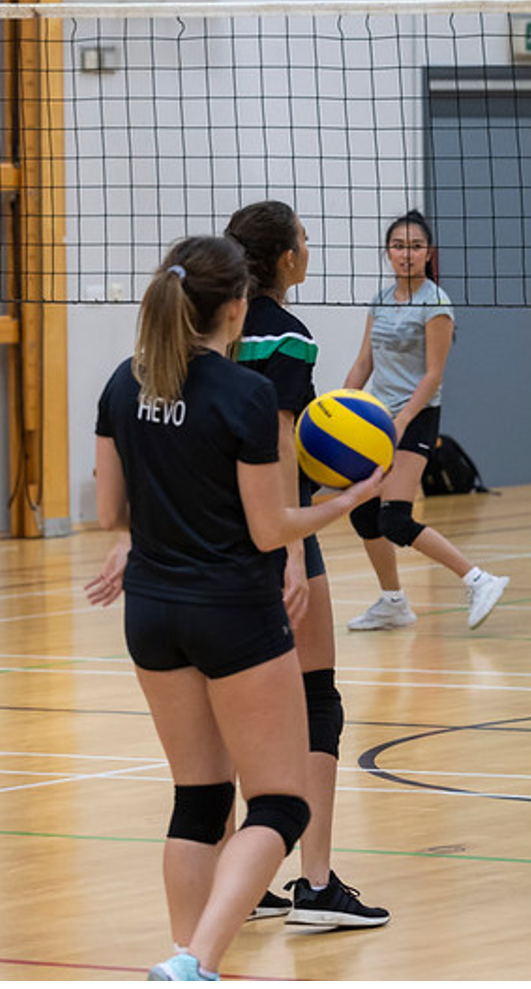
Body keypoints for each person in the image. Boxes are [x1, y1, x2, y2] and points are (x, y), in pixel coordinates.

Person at [84, 237, 385, 981]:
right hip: (233, 613)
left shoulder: (123, 384)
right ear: (238, 308)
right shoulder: (244, 396)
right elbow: (268, 529)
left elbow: (108, 513)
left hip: (151, 611)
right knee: (280, 806)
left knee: (198, 798)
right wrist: (345, 500)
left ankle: (189, 963)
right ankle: (192, 960)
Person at [224, 201, 388, 929]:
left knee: (239, 705)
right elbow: (285, 438)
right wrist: (293, 546)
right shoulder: (285, 334)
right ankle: (314, 884)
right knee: (317, 695)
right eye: (306, 242)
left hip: (209, 532)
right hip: (277, 526)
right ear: (288, 260)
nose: (310, 250)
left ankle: (247, 872)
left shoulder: (205, 326)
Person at [342, 209, 509, 630]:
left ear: (428, 253)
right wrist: (340, 407)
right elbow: (364, 362)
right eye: (398, 246)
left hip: (416, 417)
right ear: (388, 252)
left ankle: (478, 579)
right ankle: (393, 602)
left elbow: (433, 374)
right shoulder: (380, 300)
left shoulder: (436, 303)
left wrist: (402, 421)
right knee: (363, 514)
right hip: (377, 417)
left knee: (394, 518)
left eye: (415, 246)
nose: (406, 254)